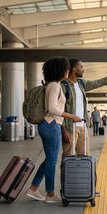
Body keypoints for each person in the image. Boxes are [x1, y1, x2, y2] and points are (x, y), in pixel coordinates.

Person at [25, 57, 81, 204]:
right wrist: (71, 116)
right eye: (66, 68)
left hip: (49, 125)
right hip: (51, 125)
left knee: (50, 159)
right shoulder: (55, 86)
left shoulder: (53, 85)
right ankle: (50, 194)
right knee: (52, 161)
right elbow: (52, 108)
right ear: (61, 70)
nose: (68, 71)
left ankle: (33, 188)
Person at [61, 58, 107, 159]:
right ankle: (66, 175)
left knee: (85, 157)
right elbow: (59, 109)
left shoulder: (81, 84)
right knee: (68, 157)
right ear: (74, 69)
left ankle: (83, 175)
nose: (83, 70)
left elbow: (99, 82)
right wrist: (63, 129)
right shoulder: (63, 85)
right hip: (70, 128)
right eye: (81, 67)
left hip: (83, 127)